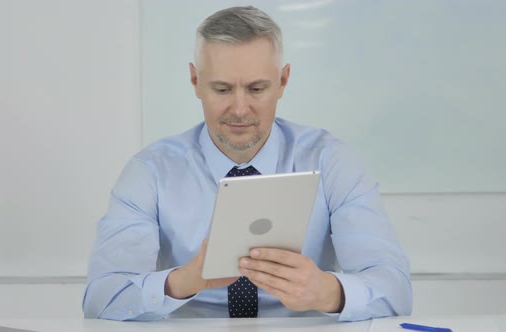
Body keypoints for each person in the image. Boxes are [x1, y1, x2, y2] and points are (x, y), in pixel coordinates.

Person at [83, 6, 412, 321]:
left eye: (257, 88)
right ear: (195, 80)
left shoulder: (332, 162)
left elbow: (395, 290)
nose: (240, 110)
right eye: (222, 89)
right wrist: (183, 282)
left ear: (283, 81)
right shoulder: (150, 172)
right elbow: (101, 299)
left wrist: (329, 292)